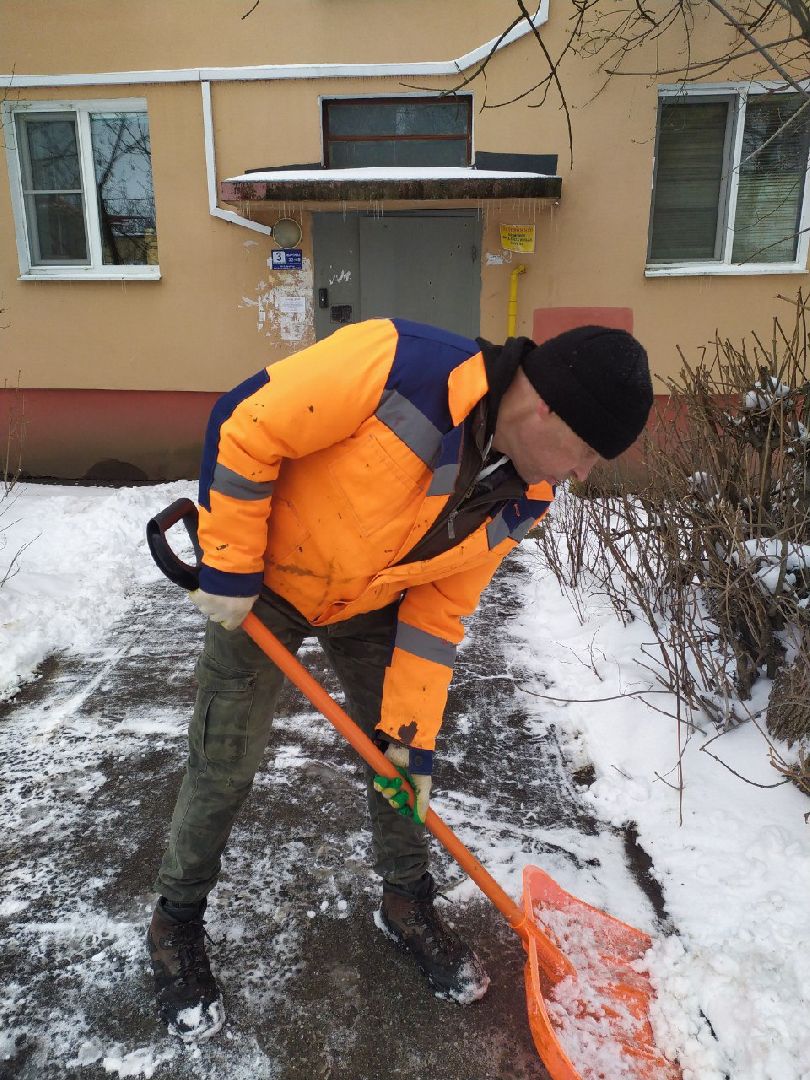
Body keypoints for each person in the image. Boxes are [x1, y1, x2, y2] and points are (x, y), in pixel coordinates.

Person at [147, 317, 653, 1041]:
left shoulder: (523, 498)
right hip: (268, 582)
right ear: (547, 408)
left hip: (368, 599)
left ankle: (407, 900)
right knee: (224, 761)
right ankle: (175, 919)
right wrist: (228, 563)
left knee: (400, 760)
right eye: (586, 452)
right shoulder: (399, 364)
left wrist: (409, 735)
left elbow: (441, 611)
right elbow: (248, 419)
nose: (582, 475)